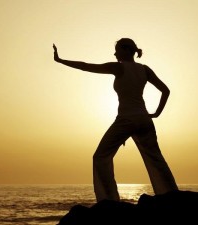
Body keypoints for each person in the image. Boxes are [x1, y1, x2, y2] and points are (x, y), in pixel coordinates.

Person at [53, 38, 178, 202]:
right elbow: (165, 91)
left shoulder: (118, 67)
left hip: (126, 120)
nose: (114, 53)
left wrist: (60, 60)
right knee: (156, 159)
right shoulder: (144, 69)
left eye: (117, 49)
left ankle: (109, 200)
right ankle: (171, 196)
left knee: (101, 156)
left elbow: (87, 66)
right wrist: (155, 114)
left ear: (126, 50)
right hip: (144, 119)